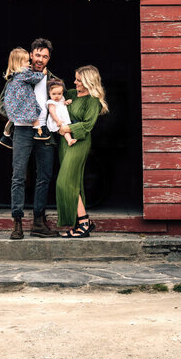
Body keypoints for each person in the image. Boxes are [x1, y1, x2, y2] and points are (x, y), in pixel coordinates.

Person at [7, 37, 58, 239]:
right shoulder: (17, 75)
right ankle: (17, 223)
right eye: (37, 55)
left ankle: (38, 222)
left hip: (44, 130)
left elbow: (59, 101)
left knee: (44, 176)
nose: (40, 59)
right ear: (30, 55)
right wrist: (16, 115)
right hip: (21, 130)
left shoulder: (52, 78)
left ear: (48, 58)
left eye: (44, 56)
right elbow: (3, 103)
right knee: (18, 176)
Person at [52, 65, 108, 237]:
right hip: (64, 142)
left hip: (79, 141)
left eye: (78, 79)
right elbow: (55, 89)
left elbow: (87, 125)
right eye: (75, 78)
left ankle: (83, 220)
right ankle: (82, 223)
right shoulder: (70, 94)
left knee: (65, 181)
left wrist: (67, 128)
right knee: (74, 182)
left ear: (88, 81)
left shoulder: (93, 101)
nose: (74, 82)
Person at [45, 78, 74, 145]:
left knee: (65, 129)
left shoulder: (62, 99)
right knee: (64, 129)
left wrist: (66, 102)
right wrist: (57, 120)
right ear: (49, 94)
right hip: (57, 120)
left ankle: (69, 140)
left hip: (62, 118)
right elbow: (52, 112)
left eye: (59, 94)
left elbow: (62, 103)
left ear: (62, 93)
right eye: (54, 94)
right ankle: (69, 140)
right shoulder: (51, 102)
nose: (57, 96)